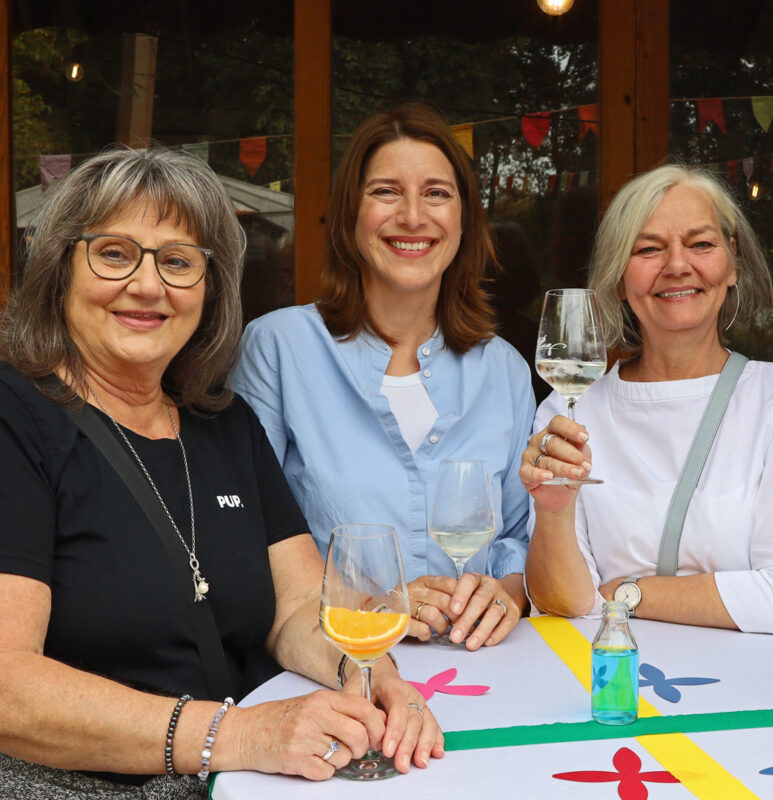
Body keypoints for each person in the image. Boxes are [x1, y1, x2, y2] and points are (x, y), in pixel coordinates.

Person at [0, 147, 442, 797]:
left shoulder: (223, 422)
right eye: (114, 254)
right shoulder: (14, 417)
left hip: (241, 779)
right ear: (60, 268)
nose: (148, 285)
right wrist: (235, 735)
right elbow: (8, 686)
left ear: (210, 289)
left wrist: (369, 675)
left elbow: (298, 607)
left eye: (178, 262)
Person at [231, 102, 533, 651]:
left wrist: (507, 595)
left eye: (437, 193)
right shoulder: (279, 348)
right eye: (386, 191)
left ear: (464, 219)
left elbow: (517, 538)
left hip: (484, 669)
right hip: (338, 668)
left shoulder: (505, 368)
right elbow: (243, 539)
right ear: (350, 213)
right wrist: (376, 608)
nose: (413, 216)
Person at [521, 164, 773, 636]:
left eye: (701, 244)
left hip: (751, 680)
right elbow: (563, 605)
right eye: (648, 249)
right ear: (620, 278)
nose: (677, 265)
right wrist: (552, 510)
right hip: (615, 676)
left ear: (732, 263)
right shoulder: (567, 412)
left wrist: (624, 592)